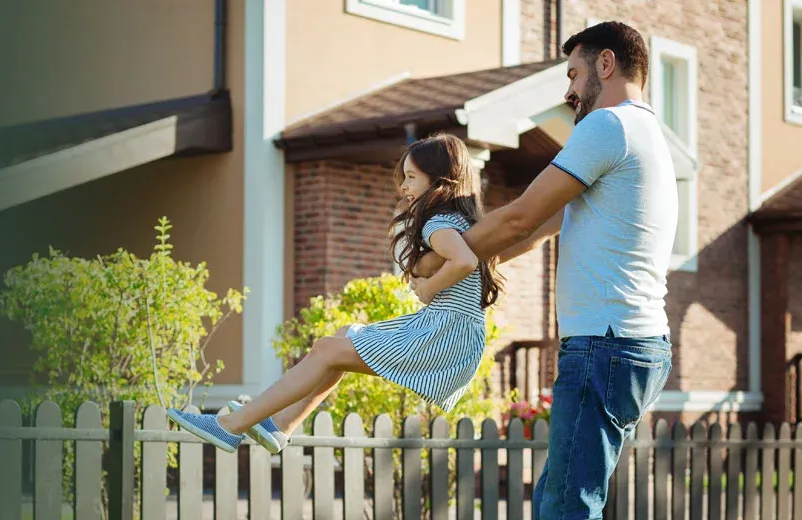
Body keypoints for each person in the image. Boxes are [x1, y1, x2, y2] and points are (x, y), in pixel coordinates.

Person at [454, 21, 677, 519]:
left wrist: (438, 258)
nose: (570, 90)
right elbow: (537, 229)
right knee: (563, 494)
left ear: (606, 64)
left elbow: (519, 216)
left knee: (566, 507)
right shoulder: (645, 135)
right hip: (634, 346)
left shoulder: (609, 126)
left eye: (574, 73)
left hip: (606, 344)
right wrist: (465, 269)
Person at [166, 133, 505, 455]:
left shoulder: (437, 223)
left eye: (411, 177)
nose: (403, 186)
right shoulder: (461, 221)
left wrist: (428, 288)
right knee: (340, 341)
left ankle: (231, 424)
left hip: (444, 334)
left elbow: (463, 260)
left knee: (329, 349)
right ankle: (281, 424)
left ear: (439, 180)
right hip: (452, 334)